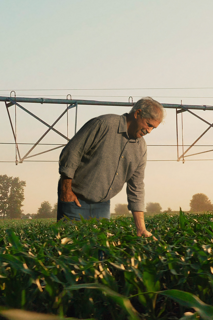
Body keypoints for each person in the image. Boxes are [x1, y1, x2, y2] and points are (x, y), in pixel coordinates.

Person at [57, 97, 164, 237]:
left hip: (103, 206)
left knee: (100, 251)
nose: (149, 131)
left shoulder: (141, 147)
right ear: (137, 114)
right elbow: (72, 152)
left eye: (153, 128)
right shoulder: (103, 124)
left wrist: (141, 228)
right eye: (148, 125)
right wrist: (66, 190)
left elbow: (136, 186)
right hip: (75, 201)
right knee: (71, 248)